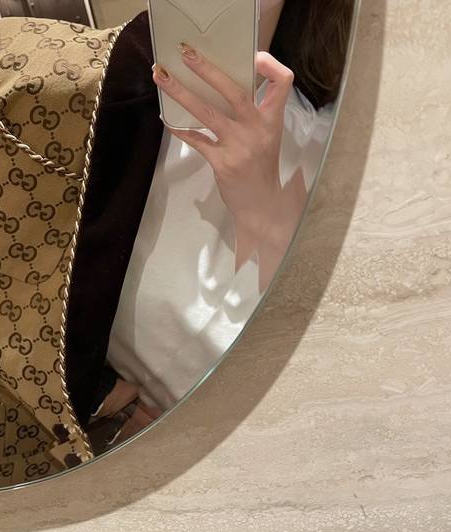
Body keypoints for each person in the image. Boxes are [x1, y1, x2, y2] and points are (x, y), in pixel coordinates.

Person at [86, 0, 354, 446]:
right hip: (149, 458)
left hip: (291, 443)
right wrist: (107, 403)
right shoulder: (98, 86)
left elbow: (342, 355)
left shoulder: (344, 123)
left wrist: (263, 212)